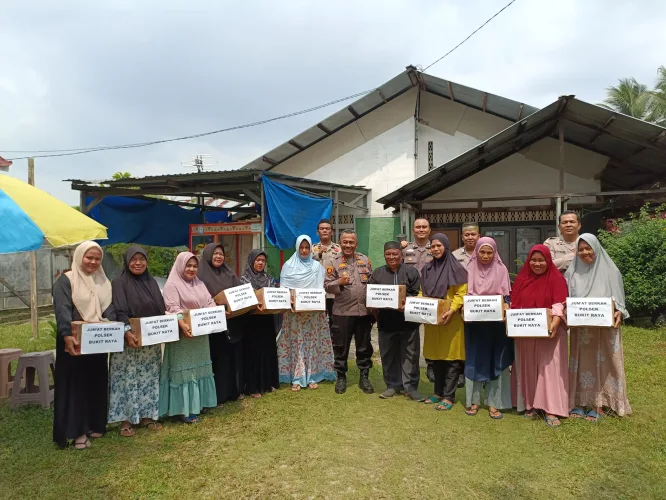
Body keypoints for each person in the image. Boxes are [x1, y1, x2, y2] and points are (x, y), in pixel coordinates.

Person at [53, 241, 116, 449]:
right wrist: (66, 335)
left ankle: (95, 424)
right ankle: (77, 432)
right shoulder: (66, 280)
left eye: (97, 258)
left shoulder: (103, 282)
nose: (93, 262)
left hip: (97, 341)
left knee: (96, 382)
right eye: (89, 257)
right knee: (76, 386)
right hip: (74, 342)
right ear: (80, 257)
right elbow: (62, 309)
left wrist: (117, 329)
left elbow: (110, 310)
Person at [565, 234, 632, 421]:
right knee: (583, 363)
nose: (585, 252)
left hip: (605, 329)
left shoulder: (611, 271)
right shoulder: (572, 273)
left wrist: (619, 311)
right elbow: (567, 299)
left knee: (604, 362)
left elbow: (619, 301)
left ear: (596, 248)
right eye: (581, 249)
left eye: (589, 248)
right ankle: (580, 401)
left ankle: (601, 403)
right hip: (583, 329)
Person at [511, 244, 569, 427]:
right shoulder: (522, 279)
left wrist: (556, 321)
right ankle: (531, 404)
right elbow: (514, 302)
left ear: (548, 260)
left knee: (549, 368)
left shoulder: (556, 278)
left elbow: (559, 302)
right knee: (527, 365)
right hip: (526, 331)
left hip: (550, 331)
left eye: (541, 260)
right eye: (533, 260)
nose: (537, 263)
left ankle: (551, 409)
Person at [109, 246, 164, 437]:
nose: (138, 263)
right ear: (126, 261)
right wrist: (126, 331)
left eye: (142, 259)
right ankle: (126, 420)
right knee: (127, 378)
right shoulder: (119, 282)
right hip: (129, 341)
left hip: (150, 341)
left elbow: (160, 308)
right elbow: (119, 309)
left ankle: (147, 416)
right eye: (134, 259)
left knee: (148, 378)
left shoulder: (152, 282)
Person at [159, 252, 217, 424]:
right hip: (183, 336)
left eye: (194, 266)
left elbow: (209, 301)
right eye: (188, 265)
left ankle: (202, 402)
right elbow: (172, 308)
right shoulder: (172, 285)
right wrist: (183, 324)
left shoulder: (199, 283)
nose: (192, 269)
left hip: (200, 335)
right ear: (180, 265)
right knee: (185, 371)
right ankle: (184, 408)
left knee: (200, 369)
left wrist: (216, 312)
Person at [463, 237, 514, 419]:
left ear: (495, 252)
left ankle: (494, 403)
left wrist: (507, 306)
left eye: (489, 252)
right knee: (474, 360)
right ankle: (474, 401)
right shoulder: (468, 269)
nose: (485, 256)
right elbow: (463, 295)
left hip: (495, 327)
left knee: (495, 361)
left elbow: (507, 296)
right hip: (474, 327)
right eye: (482, 252)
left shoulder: (501, 270)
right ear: (476, 251)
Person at [277, 235, 336, 391]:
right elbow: (284, 289)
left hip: (313, 314)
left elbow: (320, 289)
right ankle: (296, 377)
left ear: (311, 249)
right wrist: (290, 300)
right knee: (296, 343)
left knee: (313, 343)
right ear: (297, 248)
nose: (304, 250)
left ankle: (312, 375)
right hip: (295, 314)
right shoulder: (288, 266)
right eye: (301, 247)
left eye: (307, 247)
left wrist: (316, 300)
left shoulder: (317, 267)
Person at [369, 241, 423, 401]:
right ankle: (392, 385)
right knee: (388, 354)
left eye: (395, 254)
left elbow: (416, 293)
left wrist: (405, 303)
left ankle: (411, 387)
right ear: (384, 255)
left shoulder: (411, 272)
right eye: (388, 254)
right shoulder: (377, 274)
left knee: (410, 355)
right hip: (386, 322)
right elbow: (371, 296)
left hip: (408, 322)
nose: (391, 257)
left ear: (401, 254)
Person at [421, 233, 468, 411]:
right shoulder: (427, 269)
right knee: (436, 359)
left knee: (451, 359)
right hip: (433, 321)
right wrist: (418, 306)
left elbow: (461, 293)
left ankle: (449, 396)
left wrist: (452, 310)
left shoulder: (457, 269)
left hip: (451, 321)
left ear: (446, 247)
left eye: (439, 245)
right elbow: (421, 292)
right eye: (433, 246)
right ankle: (438, 393)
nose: (435, 249)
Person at [325, 229, 374, 395]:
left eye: (351, 242)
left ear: (356, 244)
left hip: (363, 313)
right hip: (342, 313)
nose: (348, 245)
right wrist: (338, 281)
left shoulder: (365, 260)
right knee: (340, 347)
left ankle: (364, 377)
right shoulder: (333, 261)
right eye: (345, 242)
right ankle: (341, 377)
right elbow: (326, 285)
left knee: (364, 347)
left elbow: (372, 282)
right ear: (340, 243)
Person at [197, 243, 246, 404]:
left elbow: (240, 293)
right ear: (208, 255)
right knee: (216, 360)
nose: (218, 257)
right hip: (212, 327)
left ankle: (233, 392)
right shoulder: (200, 276)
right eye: (215, 253)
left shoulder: (229, 273)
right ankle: (216, 395)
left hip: (231, 324)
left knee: (231, 358)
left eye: (221, 254)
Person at [240, 249, 280, 397]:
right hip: (251, 321)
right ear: (252, 261)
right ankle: (253, 387)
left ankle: (268, 383)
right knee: (253, 352)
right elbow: (243, 299)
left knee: (267, 350)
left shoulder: (269, 278)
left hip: (266, 319)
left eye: (263, 261)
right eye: (258, 260)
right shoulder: (244, 279)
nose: (260, 263)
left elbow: (274, 295)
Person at [400, 218, 435, 382]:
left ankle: (431, 365)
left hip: (431, 298)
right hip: (411, 299)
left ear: (429, 230)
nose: (421, 229)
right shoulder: (405, 249)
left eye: (424, 227)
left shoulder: (436, 248)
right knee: (411, 338)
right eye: (418, 227)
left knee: (432, 335)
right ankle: (410, 371)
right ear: (413, 231)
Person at [312, 218, 342, 327]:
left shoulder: (339, 249)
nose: (324, 231)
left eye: (327, 229)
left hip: (334, 293)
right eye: (322, 229)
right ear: (317, 232)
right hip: (317, 292)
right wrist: (318, 253)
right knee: (318, 322)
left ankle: (335, 343)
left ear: (332, 232)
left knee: (336, 322)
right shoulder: (312, 249)